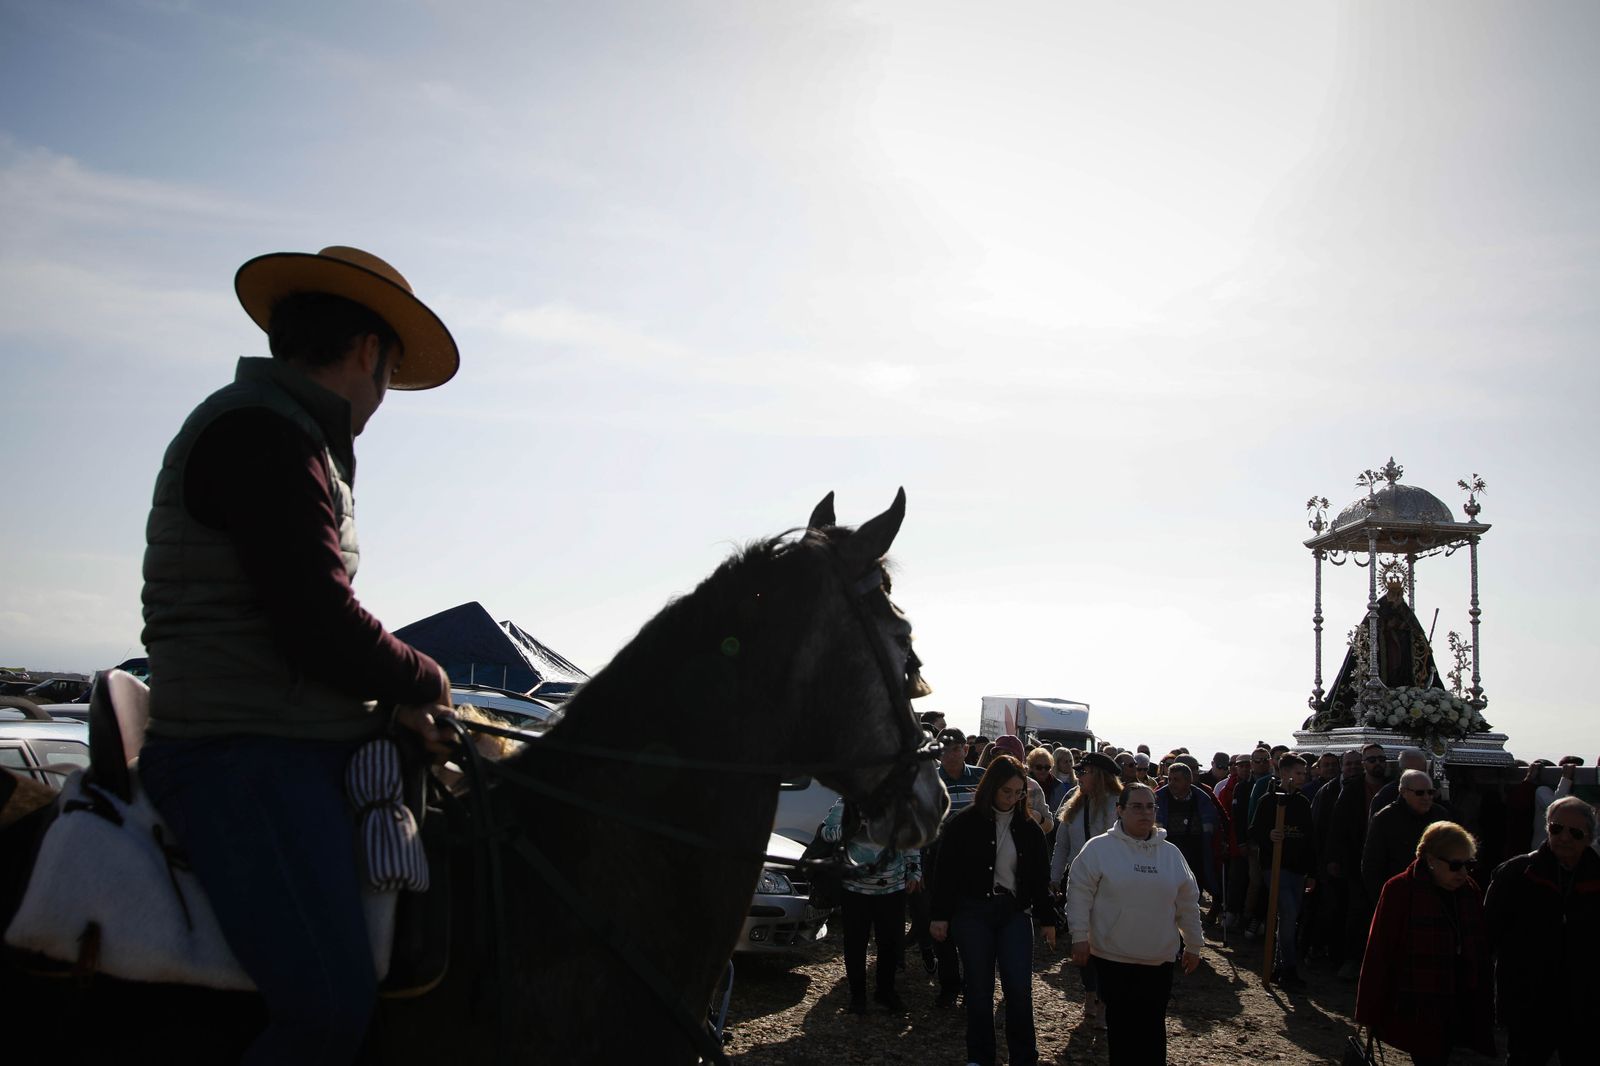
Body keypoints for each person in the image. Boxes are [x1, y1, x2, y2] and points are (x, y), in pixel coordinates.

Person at [135, 246, 459, 1064]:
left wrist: (393, 705)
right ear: (367, 352)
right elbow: (316, 622)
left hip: (276, 734)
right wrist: (426, 678)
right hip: (239, 751)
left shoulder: (285, 431)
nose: (384, 394)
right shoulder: (264, 435)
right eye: (390, 372)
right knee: (328, 1008)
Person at [929, 756, 1056, 1066]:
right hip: (972, 912)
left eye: (1018, 792)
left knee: (1019, 988)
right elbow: (944, 873)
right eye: (1006, 791)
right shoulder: (963, 824)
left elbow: (1039, 877)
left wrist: (1048, 918)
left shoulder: (1029, 828)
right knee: (979, 988)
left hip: (1014, 911)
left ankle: (1024, 1057)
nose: (1012, 798)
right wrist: (940, 915)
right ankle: (980, 1057)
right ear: (991, 788)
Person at [1065, 783, 1203, 1066]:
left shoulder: (1171, 854)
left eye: (1150, 807)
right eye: (1137, 807)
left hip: (1158, 959)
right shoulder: (1099, 849)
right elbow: (1079, 892)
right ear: (1120, 810)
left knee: (1153, 1028)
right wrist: (1079, 936)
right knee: (1122, 1030)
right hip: (1114, 956)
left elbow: (1188, 903)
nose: (1145, 813)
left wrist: (1194, 944)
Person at [1355, 822, 1496, 1066]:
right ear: (1431, 860)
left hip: (1460, 999)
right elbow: (1379, 951)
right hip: (1417, 1000)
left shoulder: (1469, 891)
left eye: (1469, 865)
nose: (1463, 872)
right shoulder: (1401, 889)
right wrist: (1368, 1012)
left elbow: (1479, 949)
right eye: (1455, 865)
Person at [1485, 796, 1600, 1065]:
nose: (1564, 838)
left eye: (1575, 832)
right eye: (1556, 829)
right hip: (1529, 1002)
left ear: (1589, 837)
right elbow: (1488, 935)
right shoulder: (1516, 873)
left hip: (1586, 1005)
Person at [819, 796, 921, 1014]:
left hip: (893, 889)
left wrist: (914, 870)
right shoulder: (848, 801)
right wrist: (850, 829)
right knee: (856, 943)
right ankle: (857, 995)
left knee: (890, 943)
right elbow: (825, 833)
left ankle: (885, 991)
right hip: (855, 889)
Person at [1050, 751, 1122, 1027]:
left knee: (1106, 942)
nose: (1078, 776)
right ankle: (1090, 993)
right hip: (1079, 881)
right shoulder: (1074, 802)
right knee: (1081, 939)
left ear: (1100, 776)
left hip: (1112, 883)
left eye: (1084, 772)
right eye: (1078, 772)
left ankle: (1103, 1000)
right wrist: (1054, 877)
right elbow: (1062, 845)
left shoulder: (1119, 804)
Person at [920, 727, 984, 1006]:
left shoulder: (981, 778)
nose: (950, 754)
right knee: (940, 925)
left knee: (974, 927)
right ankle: (949, 985)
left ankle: (973, 985)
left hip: (976, 864)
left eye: (955, 748)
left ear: (965, 750)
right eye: (944, 749)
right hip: (938, 861)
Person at [1249, 754, 1316, 990]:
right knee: (1287, 912)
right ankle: (1288, 968)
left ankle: (1280, 966)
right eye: (1298, 773)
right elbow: (1254, 830)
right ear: (1284, 773)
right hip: (1275, 867)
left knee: (1291, 917)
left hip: (1297, 869)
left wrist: (1312, 872)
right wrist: (1268, 835)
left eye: (1304, 773)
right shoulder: (1269, 801)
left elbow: (1310, 839)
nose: (1303, 777)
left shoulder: (1303, 803)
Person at [1330, 742, 1389, 979]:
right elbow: (1338, 825)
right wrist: (1335, 858)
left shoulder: (1392, 788)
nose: (1377, 764)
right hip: (1357, 858)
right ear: (1365, 764)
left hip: (1386, 859)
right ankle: (1352, 960)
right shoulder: (1352, 789)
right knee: (1357, 911)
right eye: (1372, 760)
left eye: (1381, 759)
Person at [1363, 769, 1449, 905]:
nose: (1426, 797)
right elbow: (1372, 864)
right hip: (1399, 894)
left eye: (1430, 792)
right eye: (1420, 793)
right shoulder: (1385, 819)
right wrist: (1384, 898)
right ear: (1403, 792)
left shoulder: (1440, 815)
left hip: (1435, 894)